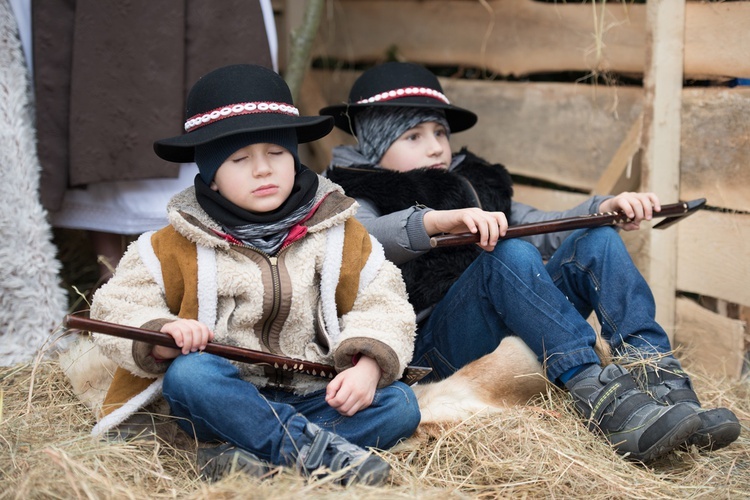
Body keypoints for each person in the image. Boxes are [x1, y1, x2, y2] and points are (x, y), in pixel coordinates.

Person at [321, 62, 741, 463]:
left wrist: (605, 207)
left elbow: (539, 225)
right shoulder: (352, 195)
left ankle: (662, 385)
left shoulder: (471, 181)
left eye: (439, 132)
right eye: (413, 136)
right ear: (375, 147)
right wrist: (431, 222)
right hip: (432, 344)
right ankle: (602, 399)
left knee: (597, 239)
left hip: (512, 311)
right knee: (507, 253)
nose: (435, 146)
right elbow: (366, 237)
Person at [89, 64, 420, 486]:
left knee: (401, 405)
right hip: (226, 401)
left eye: (277, 153)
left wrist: (368, 366)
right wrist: (163, 333)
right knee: (191, 375)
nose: (262, 170)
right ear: (211, 175)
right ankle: (314, 452)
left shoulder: (339, 231)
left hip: (314, 396)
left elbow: (384, 301)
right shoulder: (171, 244)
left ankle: (257, 459)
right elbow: (115, 307)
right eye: (239, 159)